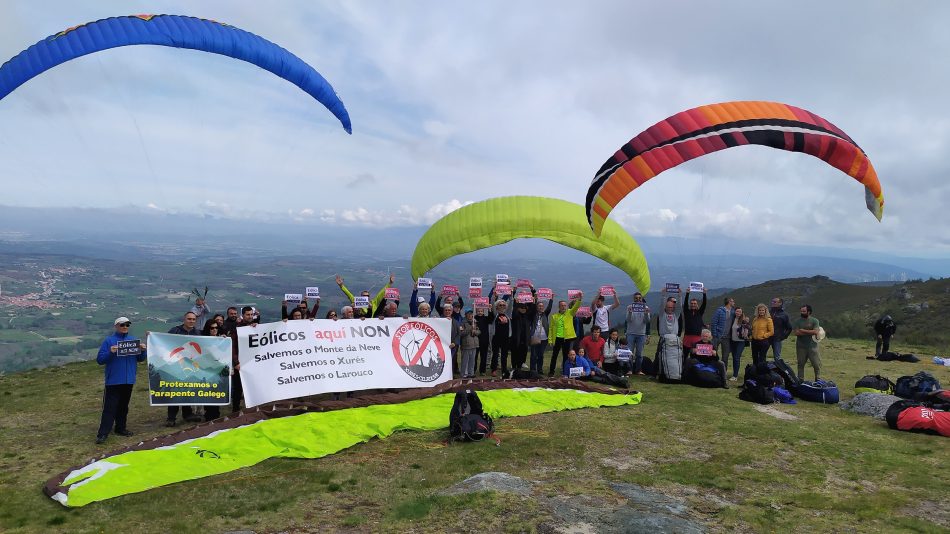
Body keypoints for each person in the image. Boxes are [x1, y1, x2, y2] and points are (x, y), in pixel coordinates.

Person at [95, 317, 147, 444]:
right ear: (116, 326)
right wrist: (111, 352)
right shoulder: (109, 341)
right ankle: (103, 434)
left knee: (123, 407)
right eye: (122, 325)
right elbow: (100, 360)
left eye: (127, 325)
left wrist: (143, 351)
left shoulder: (133, 341)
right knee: (109, 408)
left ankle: (120, 428)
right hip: (113, 381)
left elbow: (140, 359)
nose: (125, 327)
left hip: (128, 380)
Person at [165, 311, 203, 426]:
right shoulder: (174, 331)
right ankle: (171, 417)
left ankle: (187, 414)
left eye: (193, 319)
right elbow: (164, 341)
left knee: (188, 390)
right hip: (177, 365)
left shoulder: (198, 333)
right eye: (189, 319)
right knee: (175, 391)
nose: (191, 321)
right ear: (184, 319)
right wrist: (151, 336)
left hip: (191, 366)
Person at [547, 293, 582, 377]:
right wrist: (550, 340)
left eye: (565, 305)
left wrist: (579, 299)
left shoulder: (570, 313)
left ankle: (564, 372)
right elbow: (551, 328)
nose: (563, 307)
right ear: (559, 307)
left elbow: (576, 307)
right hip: (557, 338)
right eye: (562, 305)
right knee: (554, 355)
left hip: (567, 338)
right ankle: (551, 372)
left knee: (566, 356)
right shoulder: (554, 316)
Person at [624, 292, 651, 375]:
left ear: (641, 299)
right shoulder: (629, 307)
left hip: (641, 334)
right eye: (636, 298)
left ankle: (638, 370)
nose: (638, 299)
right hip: (630, 333)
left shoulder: (646, 308)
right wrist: (630, 312)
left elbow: (647, 321)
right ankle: (630, 370)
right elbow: (628, 320)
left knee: (639, 354)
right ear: (634, 299)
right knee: (629, 353)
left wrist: (646, 314)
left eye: (639, 298)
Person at [793, 304, 822, 381]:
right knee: (800, 364)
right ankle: (800, 380)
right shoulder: (797, 321)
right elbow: (796, 333)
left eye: (804, 311)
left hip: (813, 346)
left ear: (809, 312)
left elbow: (816, 331)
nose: (802, 312)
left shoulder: (815, 321)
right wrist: (811, 332)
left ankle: (818, 379)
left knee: (816, 364)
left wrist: (803, 330)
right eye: (801, 311)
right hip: (801, 347)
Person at [509, 294, 536, 371]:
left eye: (525, 308)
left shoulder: (528, 316)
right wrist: (516, 303)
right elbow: (513, 311)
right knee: (514, 353)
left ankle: (519, 367)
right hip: (515, 338)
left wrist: (534, 302)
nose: (523, 309)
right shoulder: (515, 316)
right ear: (518, 308)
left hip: (525, 338)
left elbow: (533, 311)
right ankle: (514, 367)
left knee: (522, 353)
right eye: (521, 308)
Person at [529, 293, 554, 374]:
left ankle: (540, 370)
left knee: (540, 355)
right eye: (539, 306)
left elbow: (549, 308)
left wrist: (551, 299)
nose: (541, 307)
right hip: (534, 337)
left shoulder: (545, 314)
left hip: (544, 339)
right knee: (533, 355)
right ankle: (533, 370)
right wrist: (535, 299)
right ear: (536, 307)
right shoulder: (533, 315)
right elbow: (532, 309)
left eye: (542, 306)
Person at [728, 308, 751, 381]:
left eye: (739, 311)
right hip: (733, 341)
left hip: (741, 342)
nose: (738, 312)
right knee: (734, 357)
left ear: (742, 313)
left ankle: (735, 376)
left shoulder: (744, 320)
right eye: (737, 311)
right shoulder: (733, 319)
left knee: (737, 357)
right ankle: (734, 374)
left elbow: (749, 329)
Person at [489, 299, 511, 376]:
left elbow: (511, 305)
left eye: (503, 305)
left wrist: (512, 294)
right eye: (500, 305)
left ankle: (504, 369)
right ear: (497, 307)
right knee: (495, 354)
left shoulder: (508, 315)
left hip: (506, 338)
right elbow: (492, 305)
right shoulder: (496, 315)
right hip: (496, 337)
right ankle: (494, 369)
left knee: (504, 355)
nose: (502, 306)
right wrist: (493, 297)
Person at [710, 297, 734, 366]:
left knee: (725, 357)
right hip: (717, 336)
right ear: (729, 302)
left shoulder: (733, 312)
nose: (734, 303)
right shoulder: (719, 311)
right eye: (732, 301)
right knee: (713, 354)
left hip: (727, 337)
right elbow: (714, 322)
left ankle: (723, 373)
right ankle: (713, 370)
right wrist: (715, 334)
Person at [682, 287, 707, 353]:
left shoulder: (699, 312)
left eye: (694, 303)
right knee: (684, 355)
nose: (693, 305)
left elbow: (704, 304)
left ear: (696, 305)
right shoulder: (687, 312)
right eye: (692, 303)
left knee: (696, 356)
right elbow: (685, 304)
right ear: (690, 304)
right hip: (687, 337)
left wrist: (704, 294)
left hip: (697, 337)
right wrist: (687, 293)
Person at [458, 309, 480, 378]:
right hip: (466, 344)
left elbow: (479, 331)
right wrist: (470, 329)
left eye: (471, 314)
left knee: (472, 360)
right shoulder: (462, 323)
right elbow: (461, 333)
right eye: (469, 313)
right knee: (465, 361)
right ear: (466, 314)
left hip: (474, 344)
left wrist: (475, 332)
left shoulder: (475, 322)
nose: (470, 315)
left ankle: (471, 373)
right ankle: (464, 373)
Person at [444, 304, 461, 375]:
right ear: (443, 311)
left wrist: (455, 343)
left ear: (452, 311)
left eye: (449, 310)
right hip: (442, 345)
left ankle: (451, 375)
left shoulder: (456, 322)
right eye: (446, 310)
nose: (448, 311)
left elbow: (459, 334)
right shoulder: (438, 320)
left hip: (453, 346)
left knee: (452, 361)